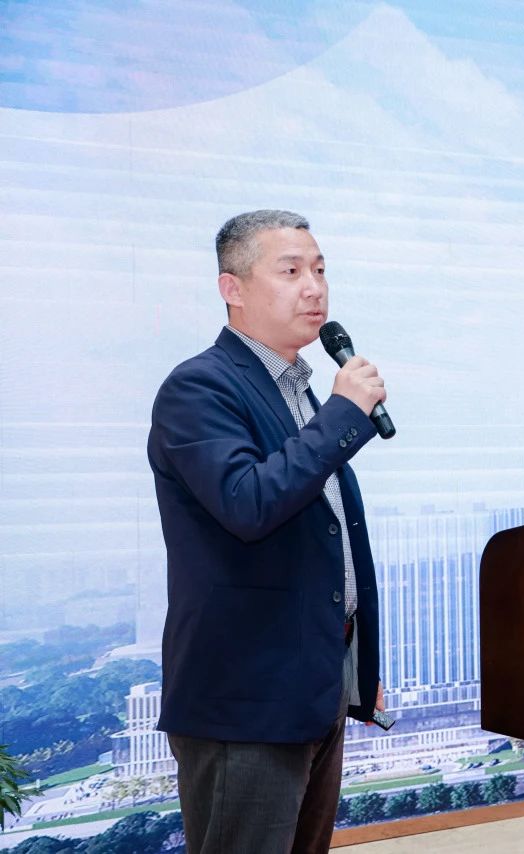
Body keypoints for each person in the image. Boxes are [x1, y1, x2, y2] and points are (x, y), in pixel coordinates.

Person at [148, 209, 387, 853]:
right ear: (232, 288)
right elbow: (249, 504)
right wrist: (344, 414)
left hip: (315, 685)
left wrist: (358, 666)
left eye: (320, 270)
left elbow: (325, 539)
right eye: (291, 271)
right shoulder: (199, 387)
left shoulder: (300, 393)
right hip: (246, 697)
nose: (314, 288)